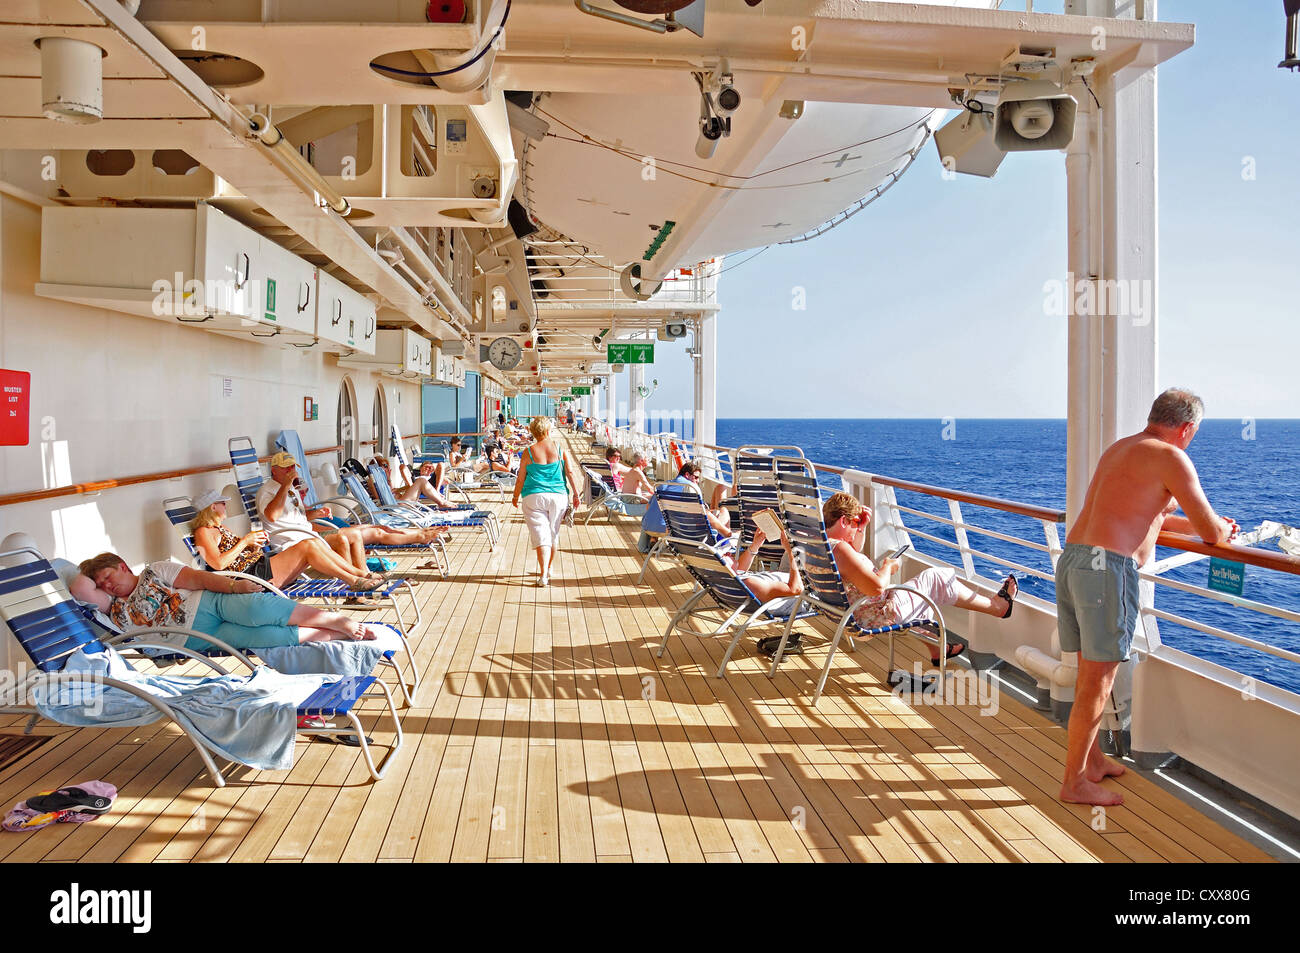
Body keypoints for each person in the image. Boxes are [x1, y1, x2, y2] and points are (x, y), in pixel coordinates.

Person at [1056, 388, 1236, 807]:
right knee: (1098, 684)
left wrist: (1191, 525)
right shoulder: (1173, 457)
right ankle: (1074, 783)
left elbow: (1145, 509)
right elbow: (1212, 532)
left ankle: (1093, 761)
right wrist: (1222, 530)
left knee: (1088, 674)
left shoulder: (1122, 448)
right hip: (1106, 573)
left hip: (1076, 559)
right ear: (1188, 428)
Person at [819, 492, 1017, 663]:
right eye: (854, 523)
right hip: (873, 617)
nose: (856, 529)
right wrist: (887, 567)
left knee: (919, 594)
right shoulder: (840, 550)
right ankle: (999, 607)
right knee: (936, 578)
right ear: (844, 521)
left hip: (845, 614)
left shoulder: (819, 544)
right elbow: (877, 588)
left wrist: (861, 527)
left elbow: (852, 559)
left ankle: (938, 650)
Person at [78, 552, 378, 652]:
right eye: (101, 585)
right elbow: (78, 587)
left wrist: (235, 587)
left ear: (122, 566)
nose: (107, 585)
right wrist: (92, 579)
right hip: (196, 638)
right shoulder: (113, 609)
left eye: (107, 576)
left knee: (259, 609)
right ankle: (336, 635)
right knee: (264, 637)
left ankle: (337, 620)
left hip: (210, 604)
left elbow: (199, 579)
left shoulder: (154, 571)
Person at [257, 451, 447, 572]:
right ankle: (357, 580)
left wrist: (316, 513)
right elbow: (272, 516)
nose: (292, 471)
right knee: (354, 535)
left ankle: (418, 535)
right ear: (275, 471)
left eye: (293, 467)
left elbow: (296, 516)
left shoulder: (289, 489)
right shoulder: (267, 491)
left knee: (373, 529)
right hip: (297, 542)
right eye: (286, 468)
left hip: (309, 531)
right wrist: (287, 486)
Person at [190, 488, 384, 593]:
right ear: (213, 507)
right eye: (223, 504)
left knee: (313, 542)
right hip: (249, 577)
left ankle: (359, 574)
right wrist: (245, 541)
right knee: (307, 546)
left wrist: (253, 545)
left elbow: (236, 555)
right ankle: (352, 580)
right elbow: (217, 564)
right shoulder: (203, 532)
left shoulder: (219, 529)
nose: (226, 507)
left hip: (257, 565)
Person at [512, 415, 582, 587]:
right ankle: (549, 568)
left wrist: (515, 496)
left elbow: (520, 478)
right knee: (553, 534)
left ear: (534, 432)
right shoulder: (560, 449)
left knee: (541, 535)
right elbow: (570, 473)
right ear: (549, 430)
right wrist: (575, 494)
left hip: (533, 497)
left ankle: (543, 575)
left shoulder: (528, 452)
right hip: (558, 496)